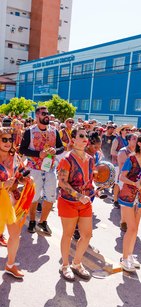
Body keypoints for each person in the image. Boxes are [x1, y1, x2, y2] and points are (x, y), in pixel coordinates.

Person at [19, 106, 64, 235]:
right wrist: (38, 154)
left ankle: (43, 221)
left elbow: (61, 147)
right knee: (34, 197)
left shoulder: (54, 131)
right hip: (34, 170)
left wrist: (55, 150)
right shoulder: (29, 132)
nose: (47, 116)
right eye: (44, 114)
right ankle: (32, 220)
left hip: (50, 169)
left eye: (48, 114)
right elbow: (22, 150)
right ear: (37, 115)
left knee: (51, 197)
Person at [57, 126, 94, 281]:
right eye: (81, 136)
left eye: (86, 136)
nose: (85, 138)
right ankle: (65, 265)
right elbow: (62, 182)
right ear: (73, 140)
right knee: (68, 234)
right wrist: (78, 195)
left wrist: (94, 188)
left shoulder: (90, 159)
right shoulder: (66, 159)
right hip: (68, 201)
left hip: (85, 202)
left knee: (87, 235)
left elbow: (90, 180)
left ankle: (77, 264)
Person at [0, 127, 33, 278]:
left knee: (15, 234)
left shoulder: (15, 158)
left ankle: (10, 265)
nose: (8, 142)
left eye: (10, 139)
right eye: (4, 139)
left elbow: (20, 175)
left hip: (9, 202)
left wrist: (25, 179)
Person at [118, 133, 141, 272]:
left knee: (135, 229)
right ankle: (125, 258)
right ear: (139, 143)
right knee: (131, 228)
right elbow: (122, 176)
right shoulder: (131, 158)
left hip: (140, 197)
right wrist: (135, 183)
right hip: (128, 195)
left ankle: (130, 255)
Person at [117, 133, 138, 232]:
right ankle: (123, 221)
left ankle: (130, 220)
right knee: (125, 203)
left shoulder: (138, 152)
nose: (136, 140)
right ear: (128, 140)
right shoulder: (123, 151)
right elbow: (123, 166)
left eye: (137, 139)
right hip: (124, 180)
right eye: (134, 138)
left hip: (135, 181)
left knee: (134, 202)